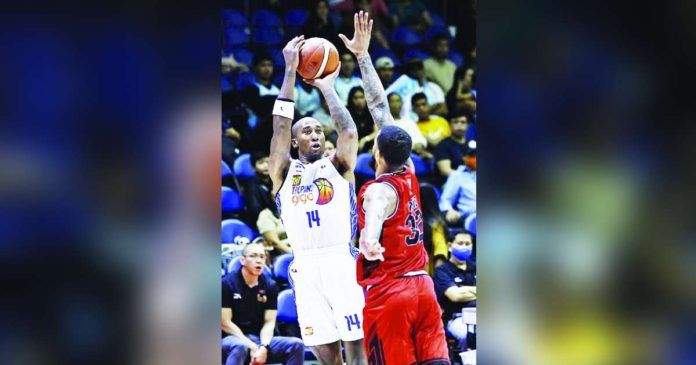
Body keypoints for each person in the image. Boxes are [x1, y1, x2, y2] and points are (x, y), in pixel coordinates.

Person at [338, 11, 449, 364]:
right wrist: (363, 56)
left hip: (392, 293)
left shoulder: (377, 189)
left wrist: (369, 243)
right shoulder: (410, 171)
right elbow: (381, 109)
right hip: (424, 289)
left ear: (377, 151)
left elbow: (371, 231)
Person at [268, 36, 367, 365]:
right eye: (307, 131)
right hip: (306, 266)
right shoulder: (283, 171)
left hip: (341, 260)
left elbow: (349, 132)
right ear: (295, 143)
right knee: (326, 356)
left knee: (356, 350)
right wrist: (290, 71)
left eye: (319, 132)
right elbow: (280, 126)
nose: (316, 135)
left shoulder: (337, 166)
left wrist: (327, 89)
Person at [221, 243, 305, 365]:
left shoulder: (270, 285)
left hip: (260, 339)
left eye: (262, 257)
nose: (258, 260)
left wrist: (263, 347)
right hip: (231, 340)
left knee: (296, 345)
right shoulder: (226, 284)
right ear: (242, 260)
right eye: (253, 256)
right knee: (239, 346)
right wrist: (252, 346)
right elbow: (225, 323)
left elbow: (269, 322)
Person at [434, 231, 477, 352]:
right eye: (460, 243)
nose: (464, 246)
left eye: (467, 243)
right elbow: (455, 296)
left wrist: (464, 290)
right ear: (449, 246)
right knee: (468, 335)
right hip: (458, 318)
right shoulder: (442, 271)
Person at [439, 140, 476, 226]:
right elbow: (446, 200)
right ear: (464, 157)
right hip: (469, 217)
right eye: (472, 156)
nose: (475, 158)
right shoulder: (457, 175)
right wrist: (449, 210)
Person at [387, 92, 430, 159]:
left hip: (415, 153)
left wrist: (420, 144)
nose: (396, 104)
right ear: (387, 104)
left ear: (402, 103)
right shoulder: (386, 123)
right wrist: (412, 147)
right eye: (392, 101)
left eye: (398, 101)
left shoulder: (409, 121)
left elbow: (419, 137)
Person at [434, 108, 470, 177]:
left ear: (467, 126)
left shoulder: (472, 144)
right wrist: (466, 177)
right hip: (450, 183)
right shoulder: (443, 145)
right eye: (455, 122)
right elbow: (445, 171)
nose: (459, 125)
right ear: (449, 125)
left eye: (463, 122)